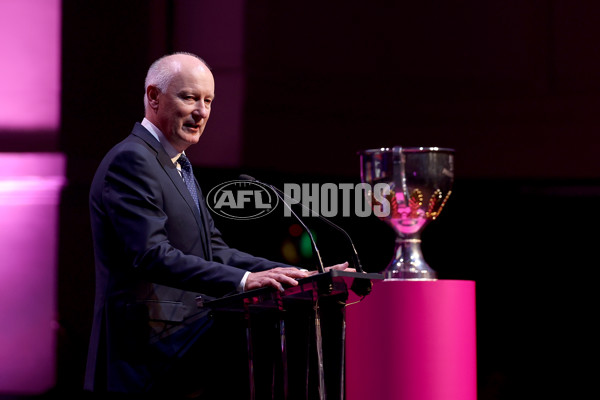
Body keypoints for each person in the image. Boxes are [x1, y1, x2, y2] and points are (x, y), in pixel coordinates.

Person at [83, 52, 350, 398]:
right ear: (153, 97)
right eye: (189, 97)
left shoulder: (179, 166)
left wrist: (297, 276)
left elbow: (216, 251)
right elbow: (149, 254)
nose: (202, 111)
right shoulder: (132, 160)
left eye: (208, 101)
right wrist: (243, 281)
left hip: (179, 353)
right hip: (143, 357)